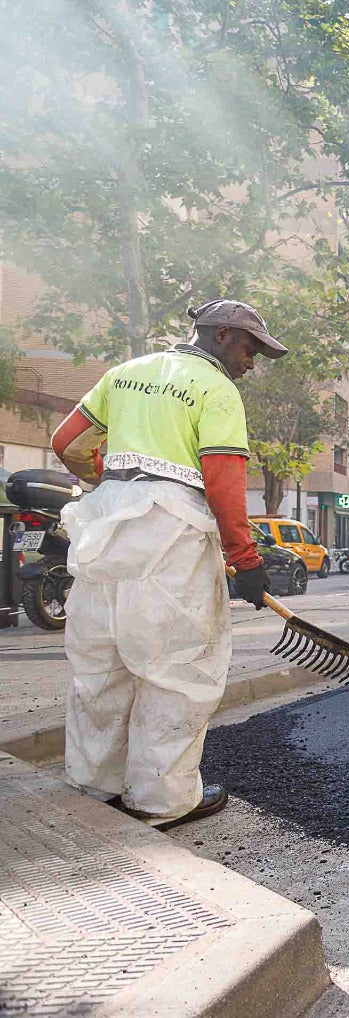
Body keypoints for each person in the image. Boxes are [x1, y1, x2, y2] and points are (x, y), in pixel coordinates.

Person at [50, 299, 287, 829]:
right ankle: (162, 800)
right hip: (172, 535)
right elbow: (224, 481)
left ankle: (95, 784)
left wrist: (110, 481)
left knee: (101, 665)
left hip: (106, 528)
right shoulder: (217, 389)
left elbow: (65, 442)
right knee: (176, 667)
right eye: (251, 349)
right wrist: (245, 559)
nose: (252, 362)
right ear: (223, 336)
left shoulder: (126, 373)